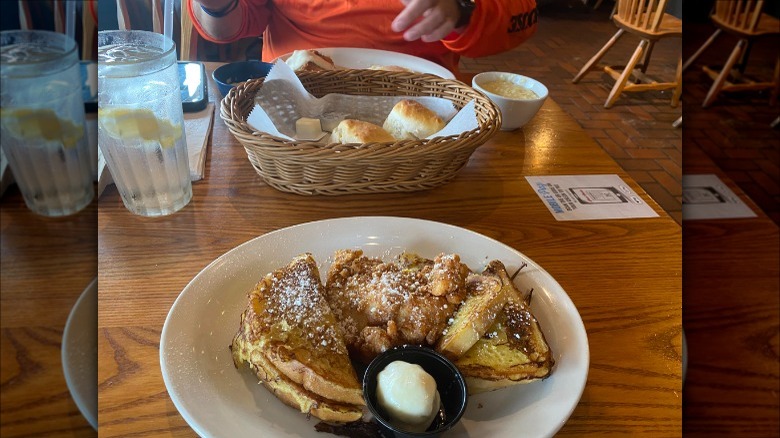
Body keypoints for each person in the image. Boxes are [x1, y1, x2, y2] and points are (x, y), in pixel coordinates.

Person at [186, 0, 538, 74]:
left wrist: (464, 9)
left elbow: (523, 17)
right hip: (289, 104)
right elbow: (227, 27)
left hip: (424, 106)